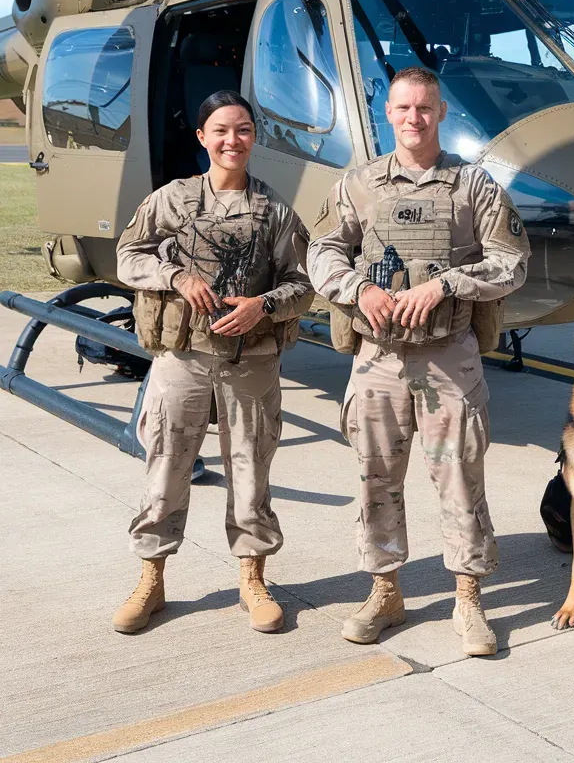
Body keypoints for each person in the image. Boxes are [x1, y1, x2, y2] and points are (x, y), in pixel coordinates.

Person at [307, 66, 530, 656]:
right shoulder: (358, 185)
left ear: (440, 112)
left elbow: (512, 260)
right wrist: (360, 289)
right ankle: (385, 590)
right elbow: (323, 250)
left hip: (447, 358)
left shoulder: (474, 187)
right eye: (404, 108)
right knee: (375, 477)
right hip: (378, 358)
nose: (414, 118)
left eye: (425, 108)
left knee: (460, 477)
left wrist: (449, 284)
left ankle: (467, 598)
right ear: (388, 113)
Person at [113, 90, 314, 635]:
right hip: (183, 358)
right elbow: (128, 257)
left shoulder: (275, 211)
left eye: (243, 130)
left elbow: (303, 284)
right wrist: (176, 276)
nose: (233, 140)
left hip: (251, 362)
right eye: (221, 130)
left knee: (250, 471)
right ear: (202, 138)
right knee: (166, 468)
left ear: (254, 138)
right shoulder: (172, 201)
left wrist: (262, 306)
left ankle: (252, 577)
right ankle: (151, 579)